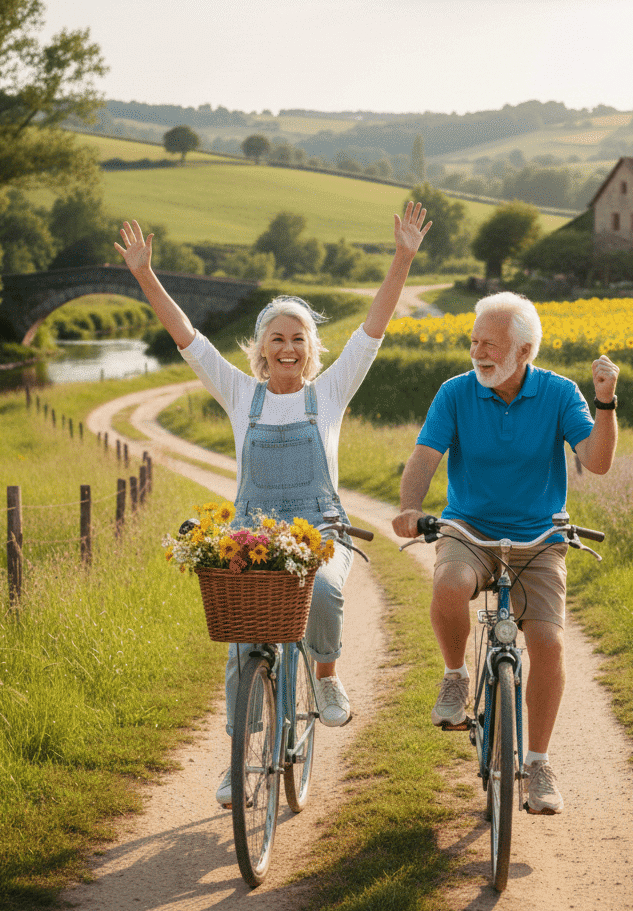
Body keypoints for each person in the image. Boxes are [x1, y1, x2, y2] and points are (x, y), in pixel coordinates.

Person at [116, 203, 431, 806]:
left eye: (298, 339)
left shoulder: (330, 393)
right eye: (276, 339)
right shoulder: (240, 394)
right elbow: (188, 339)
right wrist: (143, 275)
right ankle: (238, 761)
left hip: (320, 530)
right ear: (260, 348)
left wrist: (403, 258)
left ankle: (328, 677)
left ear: (310, 348)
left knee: (329, 592)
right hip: (254, 536)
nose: (287, 348)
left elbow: (372, 329)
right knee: (242, 650)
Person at [391, 291, 618, 815]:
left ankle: (537, 762)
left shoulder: (561, 395)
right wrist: (409, 505)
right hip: (469, 529)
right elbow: (425, 456)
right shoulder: (455, 393)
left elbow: (598, 462)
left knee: (548, 642)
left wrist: (605, 402)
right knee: (448, 583)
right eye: (474, 341)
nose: (478, 352)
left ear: (525, 351)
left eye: (490, 344)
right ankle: (455, 678)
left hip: (539, 539)